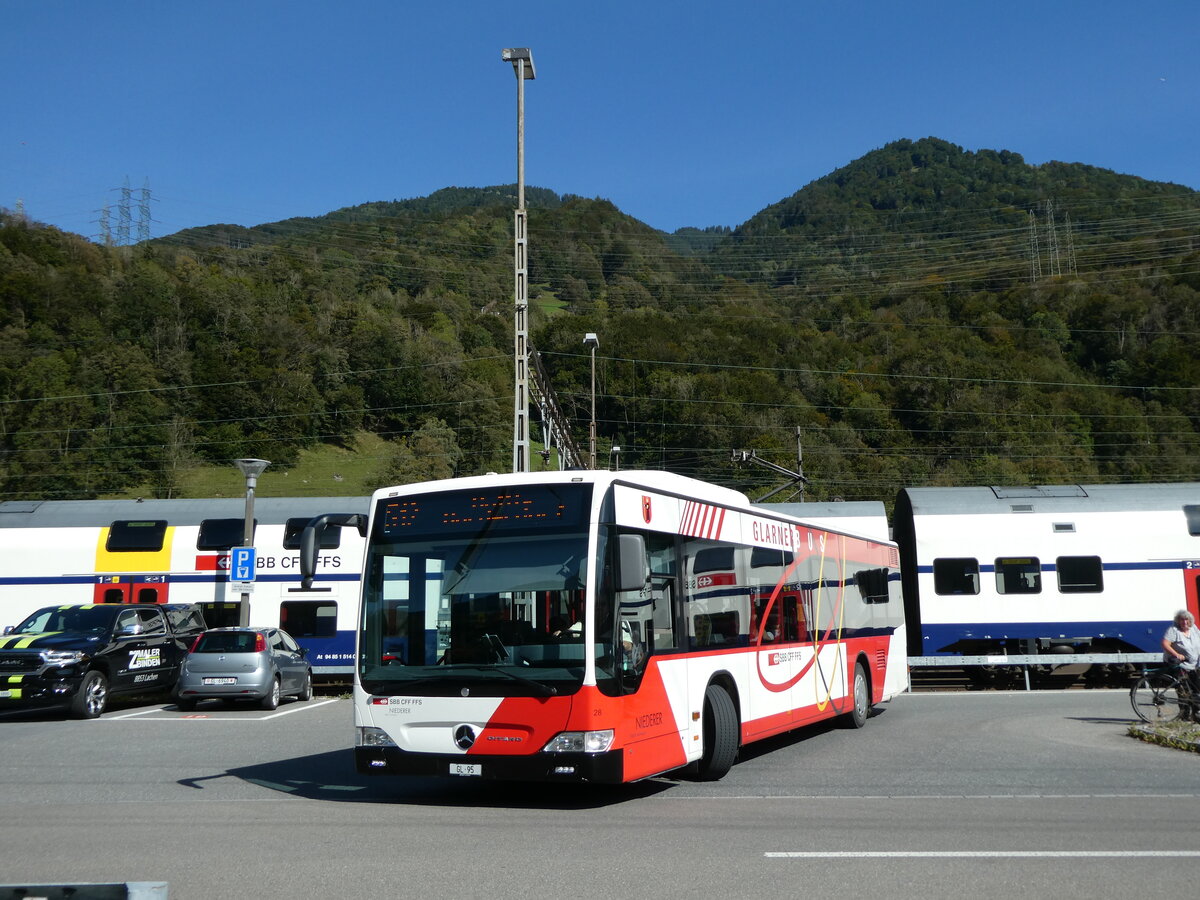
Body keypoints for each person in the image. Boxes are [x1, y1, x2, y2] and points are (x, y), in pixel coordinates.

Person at [1162, 609, 1200, 718]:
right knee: (1184, 689)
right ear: (1178, 621)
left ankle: (1196, 713)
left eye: (1186, 619)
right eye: (1181, 620)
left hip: (1193, 665)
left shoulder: (1194, 629)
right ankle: (1184, 714)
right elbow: (1165, 644)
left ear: (1190, 620)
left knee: (1196, 688)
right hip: (1178, 664)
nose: (1184, 622)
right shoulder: (1173, 630)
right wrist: (1176, 654)